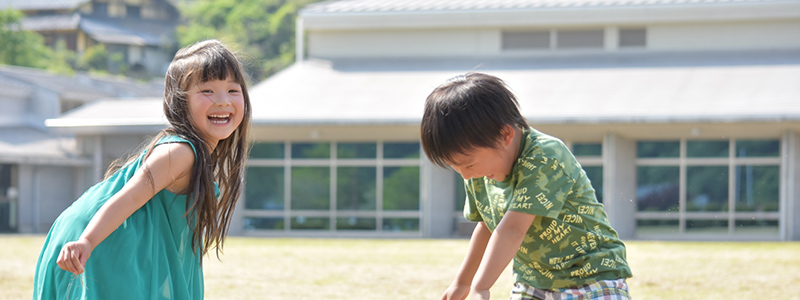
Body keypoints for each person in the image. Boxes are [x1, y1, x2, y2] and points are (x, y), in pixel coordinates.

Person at [32, 39, 252, 299]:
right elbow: (131, 196)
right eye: (207, 91)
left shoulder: (195, 153)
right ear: (180, 102)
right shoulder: (181, 151)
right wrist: (87, 241)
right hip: (97, 240)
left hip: (106, 239)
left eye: (232, 90)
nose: (222, 101)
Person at [421, 73, 633, 300]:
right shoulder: (478, 173)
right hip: (533, 284)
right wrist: (462, 283)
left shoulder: (545, 156)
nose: (465, 174)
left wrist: (480, 288)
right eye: (456, 166)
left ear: (505, 135)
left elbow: (512, 229)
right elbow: (488, 225)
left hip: (592, 277)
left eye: (469, 164)